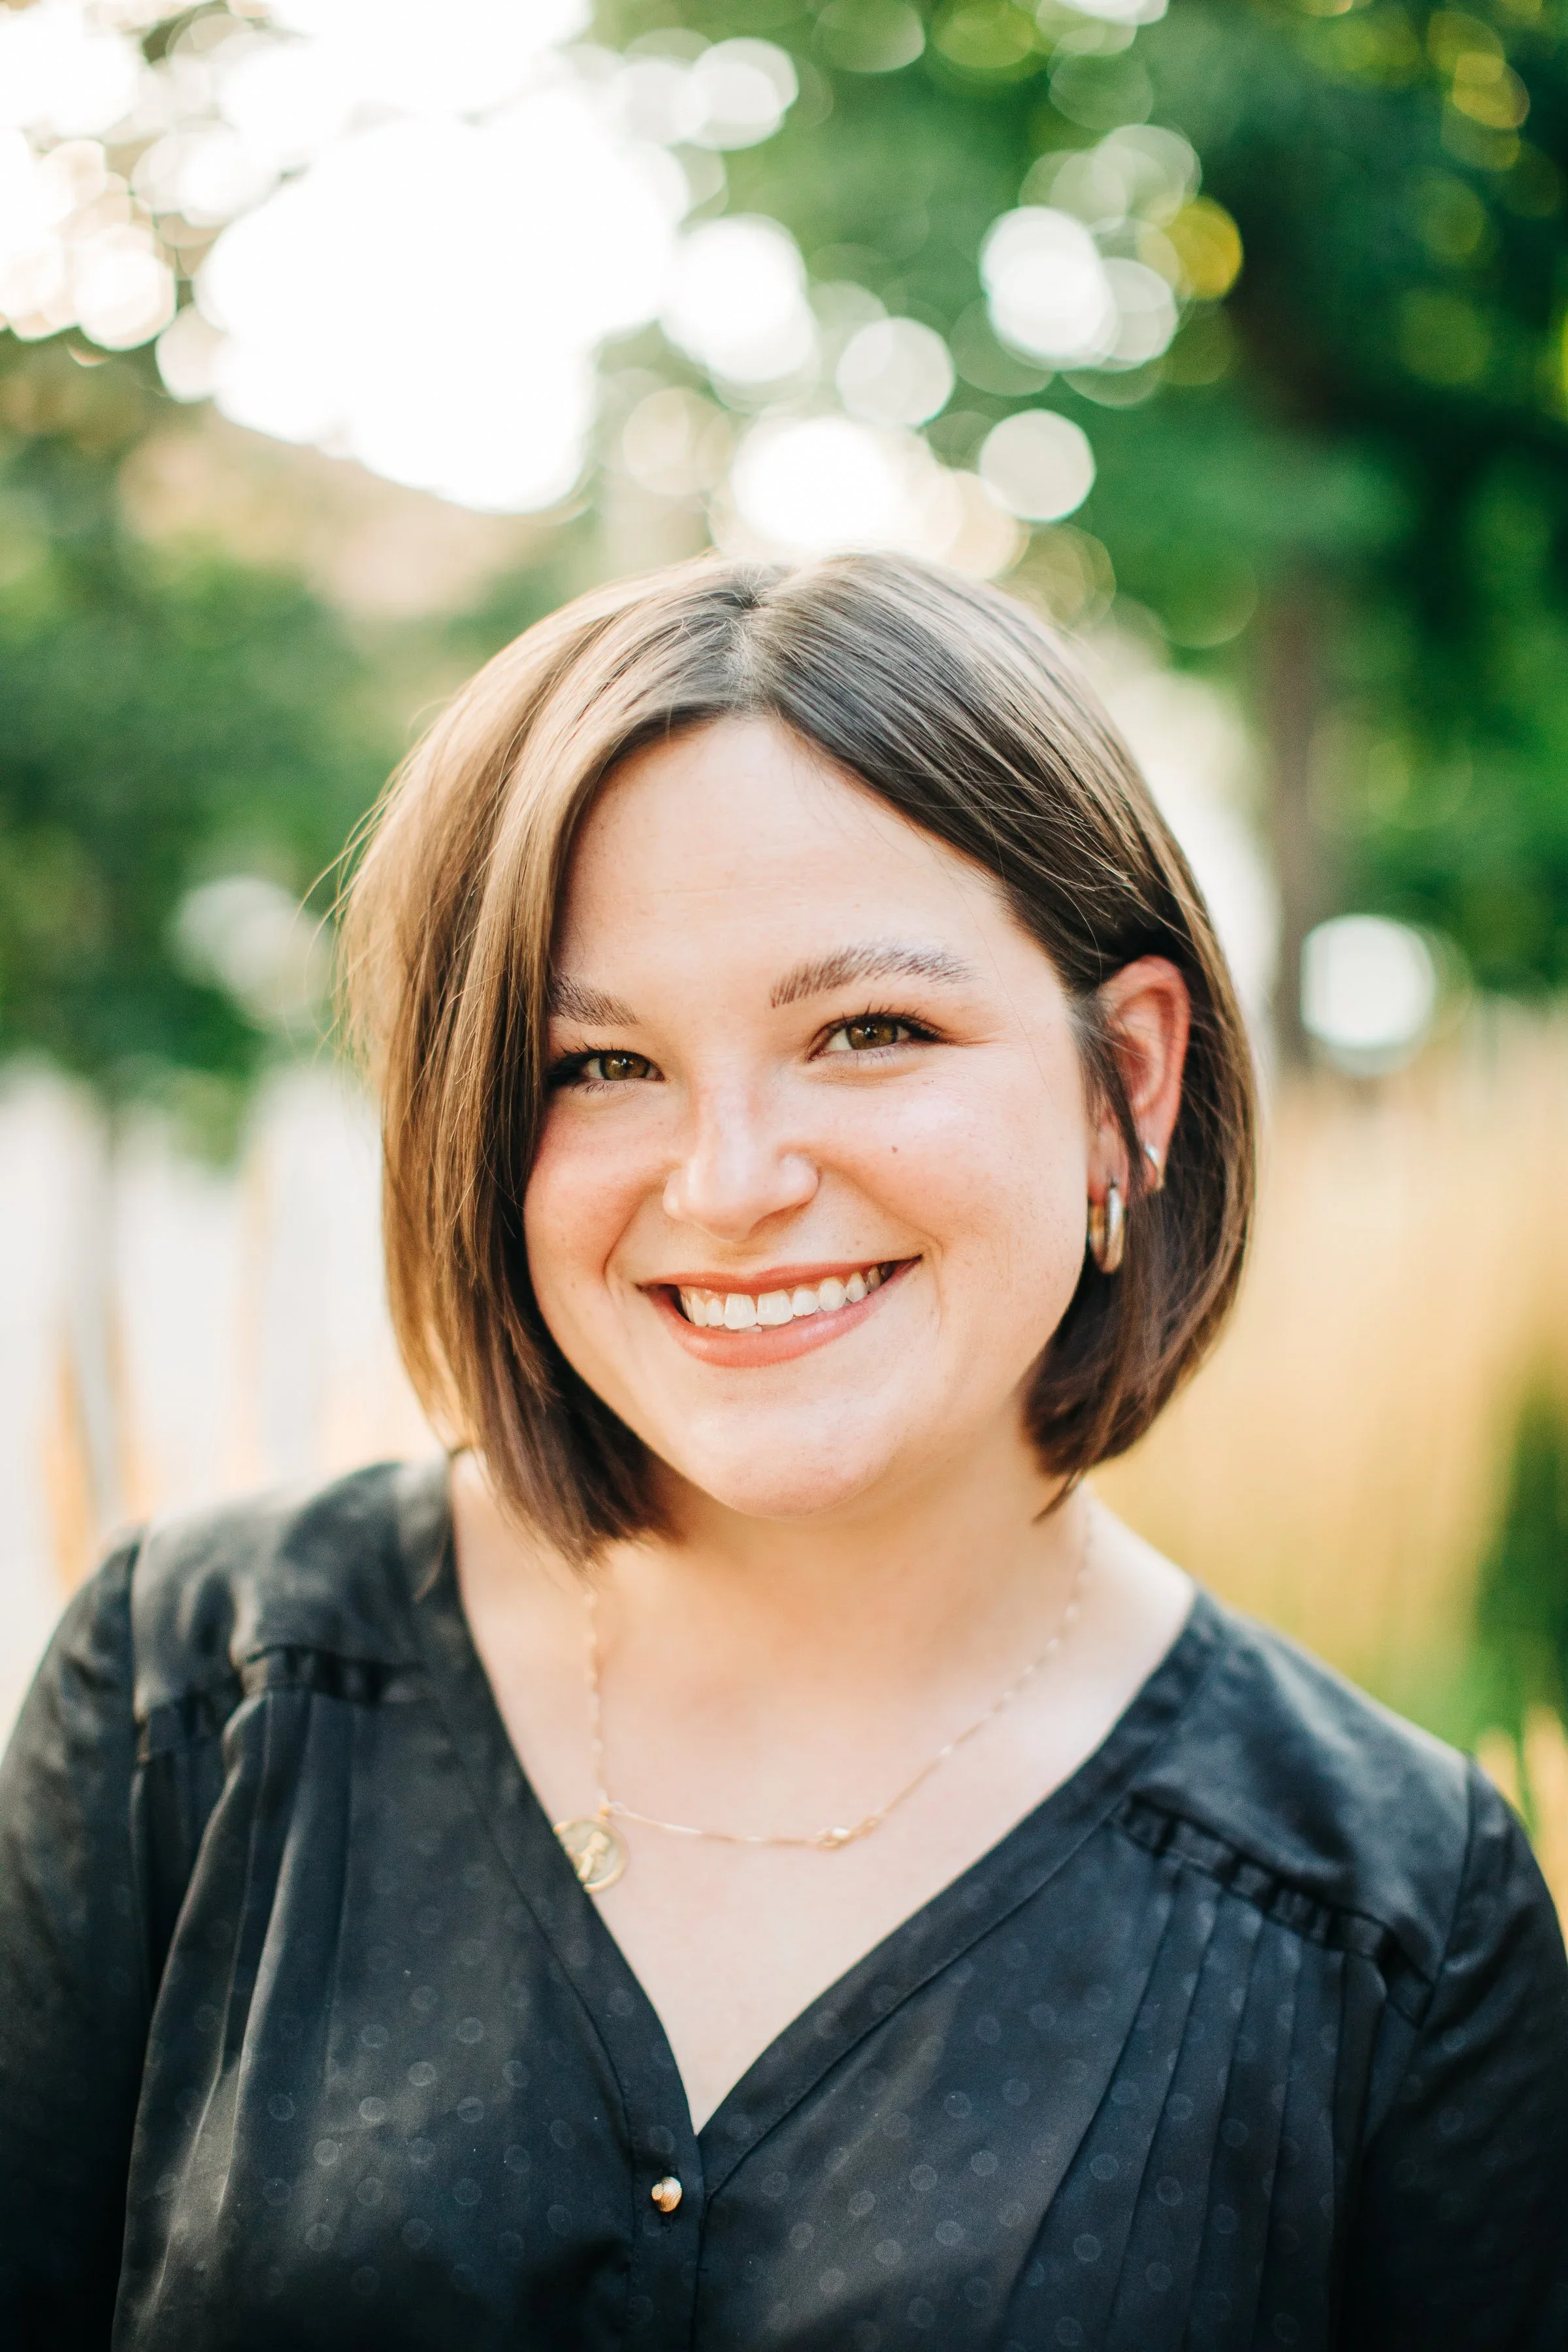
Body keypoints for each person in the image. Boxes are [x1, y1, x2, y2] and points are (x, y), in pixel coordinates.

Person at [1, 554, 1564, 2352]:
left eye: (871, 1032)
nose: (731, 1181)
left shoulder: (1396, 1919)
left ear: (1126, 1082)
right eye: (598, 1064)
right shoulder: (192, 1693)